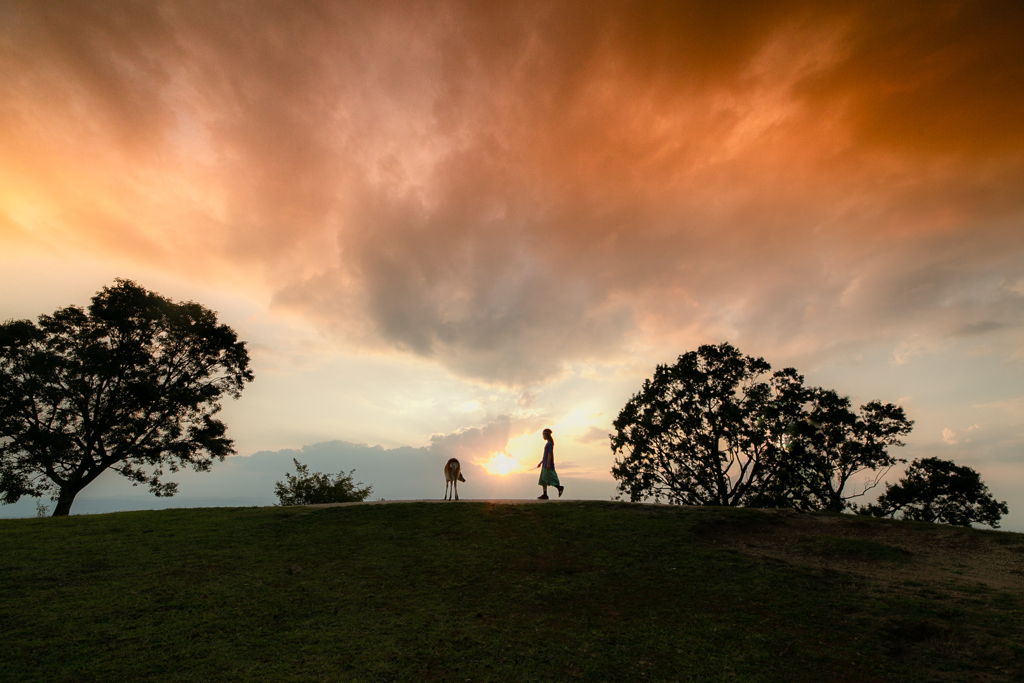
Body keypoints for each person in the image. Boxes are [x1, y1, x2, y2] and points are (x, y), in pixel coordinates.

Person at [535, 428, 564, 499]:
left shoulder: (550, 444)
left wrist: (548, 464)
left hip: (547, 465)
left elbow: (549, 454)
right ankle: (545, 494)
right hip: (544, 464)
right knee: (543, 479)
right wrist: (540, 463)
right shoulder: (548, 443)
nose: (543, 436)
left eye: (543, 435)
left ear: (546, 435)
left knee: (549, 478)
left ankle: (559, 487)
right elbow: (545, 455)